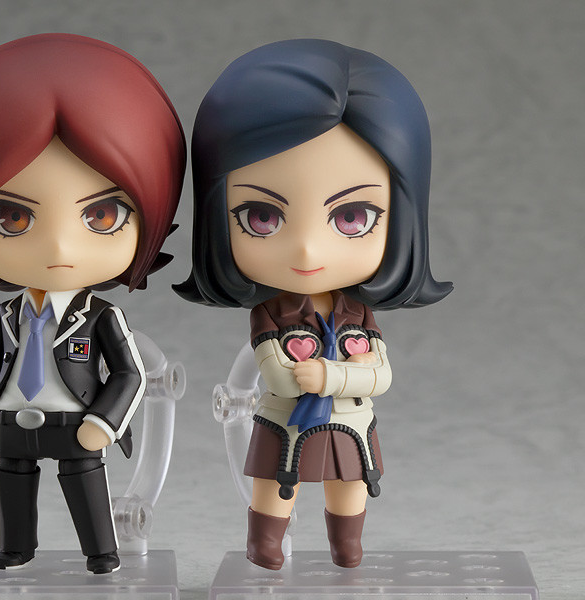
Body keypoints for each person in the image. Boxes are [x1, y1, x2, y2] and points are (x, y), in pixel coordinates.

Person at [174, 39, 451, 569]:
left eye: (351, 218)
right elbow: (280, 377)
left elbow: (381, 375)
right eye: (262, 217)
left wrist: (327, 376)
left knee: (352, 482)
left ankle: (348, 545)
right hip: (286, 422)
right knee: (276, 481)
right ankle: (264, 542)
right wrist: (342, 374)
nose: (306, 250)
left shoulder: (358, 314)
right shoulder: (270, 314)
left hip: (350, 420)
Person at [0, 34, 186, 574]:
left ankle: (102, 552)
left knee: (84, 481)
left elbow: (131, 374)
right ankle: (16, 547)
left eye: (101, 217)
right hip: (10, 419)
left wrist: (105, 423)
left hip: (77, 419)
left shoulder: (102, 316)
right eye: (14, 218)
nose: (60, 248)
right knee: (12, 481)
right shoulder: (7, 314)